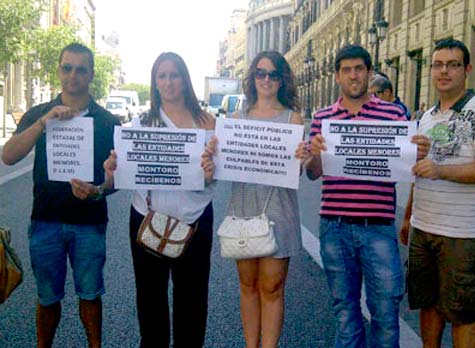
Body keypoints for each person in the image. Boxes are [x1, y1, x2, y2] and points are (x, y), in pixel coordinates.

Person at [296, 44, 430, 347]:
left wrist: (419, 152)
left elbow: (409, 166)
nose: (353, 75)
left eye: (359, 69)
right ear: (338, 76)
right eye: (346, 70)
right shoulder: (324, 118)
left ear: (369, 73)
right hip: (335, 227)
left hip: (378, 228)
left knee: (384, 313)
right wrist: (312, 155)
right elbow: (314, 173)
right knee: (344, 312)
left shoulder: (394, 114)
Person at [1, 43, 120, 348]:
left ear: (91, 74)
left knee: (91, 296)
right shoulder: (40, 114)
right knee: (47, 298)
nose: (73, 75)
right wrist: (42, 124)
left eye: (81, 69)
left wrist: (99, 190)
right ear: (58, 70)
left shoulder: (107, 122)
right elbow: (8, 156)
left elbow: (117, 179)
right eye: (67, 67)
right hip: (46, 222)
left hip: (89, 222)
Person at [103, 52, 216, 348]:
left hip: (196, 218)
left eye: (174, 75)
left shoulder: (207, 123)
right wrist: (113, 170)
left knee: (192, 300)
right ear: (155, 82)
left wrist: (210, 171)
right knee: (150, 298)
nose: (169, 82)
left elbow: (216, 175)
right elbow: (121, 175)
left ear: (185, 80)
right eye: (162, 76)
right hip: (146, 216)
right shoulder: (140, 124)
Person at [400, 38, 475, 348]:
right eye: (438, 64)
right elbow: (417, 172)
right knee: (427, 304)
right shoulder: (429, 115)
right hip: (424, 227)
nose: (444, 71)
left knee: (462, 313)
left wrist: (441, 170)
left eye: (453, 64)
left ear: (467, 70)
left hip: (464, 233)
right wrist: (409, 217)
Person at [209, 51, 303, 348]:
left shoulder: (293, 118)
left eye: (273, 74)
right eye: (260, 73)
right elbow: (219, 168)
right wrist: (212, 156)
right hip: (244, 208)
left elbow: (300, 169)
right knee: (248, 286)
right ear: (252, 79)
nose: (266, 79)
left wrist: (304, 158)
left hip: (279, 208)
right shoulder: (235, 119)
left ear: (282, 80)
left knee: (272, 287)